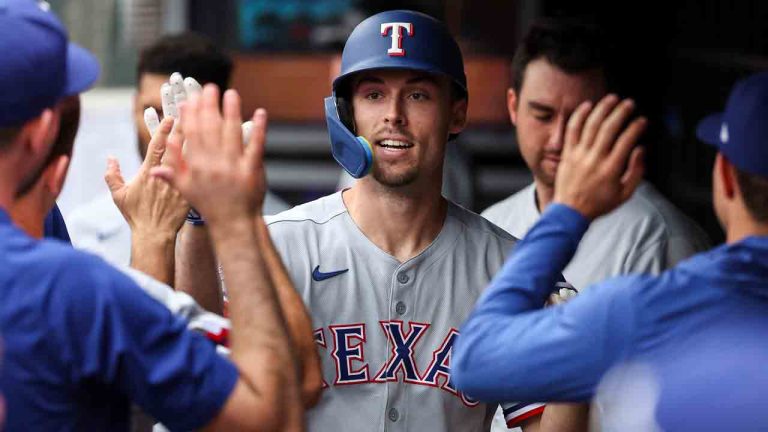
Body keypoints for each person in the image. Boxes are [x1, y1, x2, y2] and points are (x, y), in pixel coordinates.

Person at [174, 10, 570, 431]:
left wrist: (572, 359)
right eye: (374, 95)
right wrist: (197, 217)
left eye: (418, 95)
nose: (394, 115)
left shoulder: (510, 269)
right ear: (347, 114)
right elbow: (201, 364)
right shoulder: (280, 244)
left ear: (456, 114)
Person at [0, 1, 303, 429]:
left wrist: (157, 234)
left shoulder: (64, 272)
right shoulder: (71, 286)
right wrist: (235, 218)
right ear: (39, 135)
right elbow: (272, 416)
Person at [453, 71, 768, 430]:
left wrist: (569, 213)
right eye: (543, 114)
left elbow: (475, 360)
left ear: (725, 174)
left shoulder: (653, 305)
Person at [482, 19, 709, 293]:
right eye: (543, 115)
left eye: (580, 119)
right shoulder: (492, 223)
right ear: (513, 106)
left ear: (610, 116)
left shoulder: (656, 237)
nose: (558, 138)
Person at [66, 32, 290, 268]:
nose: (166, 130)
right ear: (134, 107)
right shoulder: (88, 231)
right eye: (153, 110)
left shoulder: (276, 228)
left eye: (181, 114)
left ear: (222, 112)